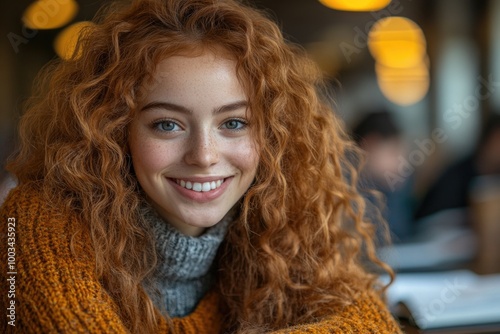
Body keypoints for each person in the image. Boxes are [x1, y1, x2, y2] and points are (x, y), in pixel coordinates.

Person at [0, 0, 401, 332]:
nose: (204, 155)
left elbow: (371, 322)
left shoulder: (280, 223)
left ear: (273, 136)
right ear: (113, 132)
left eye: (234, 123)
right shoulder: (33, 221)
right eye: (167, 124)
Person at [351, 111, 415, 243]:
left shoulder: (393, 187)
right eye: (393, 153)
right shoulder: (347, 194)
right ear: (369, 146)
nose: (402, 163)